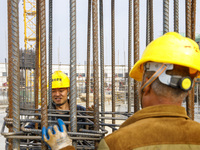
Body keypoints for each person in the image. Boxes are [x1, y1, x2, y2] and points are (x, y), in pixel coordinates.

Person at [42, 32, 200, 150]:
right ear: (187, 88)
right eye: (54, 90)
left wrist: (64, 146)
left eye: (61, 90)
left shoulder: (117, 142)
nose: (57, 94)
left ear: (147, 83)